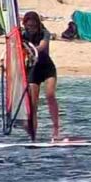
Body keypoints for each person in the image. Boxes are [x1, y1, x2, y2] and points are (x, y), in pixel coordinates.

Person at [18, 11, 62, 141]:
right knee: (33, 103)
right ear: (25, 24)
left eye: (34, 26)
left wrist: (31, 49)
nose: (31, 29)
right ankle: (33, 135)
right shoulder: (22, 35)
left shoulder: (44, 33)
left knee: (50, 95)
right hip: (32, 70)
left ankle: (56, 129)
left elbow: (42, 46)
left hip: (47, 68)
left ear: (38, 24)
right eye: (28, 26)